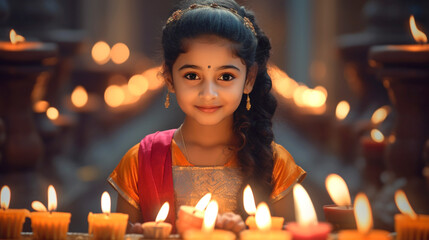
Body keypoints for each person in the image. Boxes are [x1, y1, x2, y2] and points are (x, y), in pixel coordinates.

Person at [108, 0, 306, 235]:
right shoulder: (141, 161)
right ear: (169, 79)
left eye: (225, 77)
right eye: (192, 75)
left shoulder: (275, 164)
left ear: (249, 79)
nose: (208, 93)